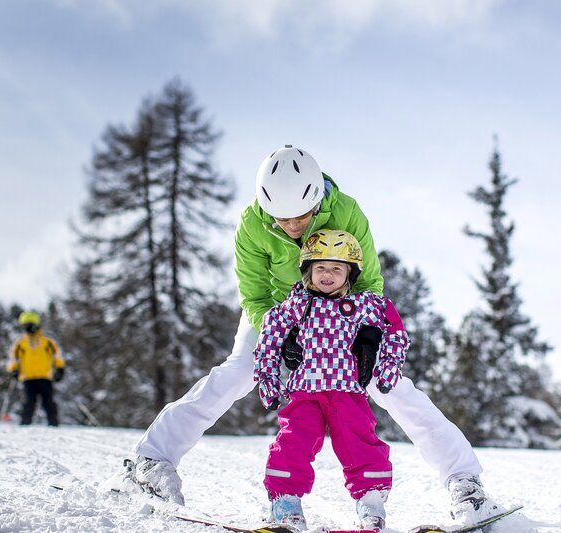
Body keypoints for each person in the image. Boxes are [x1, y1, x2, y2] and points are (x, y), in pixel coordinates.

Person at [121, 145, 497, 524]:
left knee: (388, 385)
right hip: (277, 311)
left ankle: (464, 480)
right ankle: (153, 460)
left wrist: (367, 336)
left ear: (316, 199)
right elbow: (253, 295)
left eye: (300, 216)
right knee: (240, 370)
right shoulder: (252, 224)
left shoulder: (347, 211)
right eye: (282, 218)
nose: (293, 225)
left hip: (342, 311)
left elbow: (369, 283)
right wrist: (281, 332)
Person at [255, 229, 408, 530]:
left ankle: (371, 504)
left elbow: (395, 328)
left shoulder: (363, 304)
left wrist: (389, 365)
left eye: (336, 268)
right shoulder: (297, 304)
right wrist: (268, 376)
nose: (327, 274)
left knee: (360, 443)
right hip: (304, 393)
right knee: (292, 444)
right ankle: (285, 504)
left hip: (346, 391)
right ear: (307, 272)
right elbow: (270, 332)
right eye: (320, 267)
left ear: (349, 274)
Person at [8, 311, 66, 427]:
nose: (26, 328)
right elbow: (13, 357)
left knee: (48, 401)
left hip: (45, 376)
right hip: (28, 377)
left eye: (28, 325)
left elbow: (57, 355)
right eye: (24, 325)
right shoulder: (21, 343)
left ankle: (53, 423)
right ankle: (25, 424)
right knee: (29, 401)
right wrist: (13, 369)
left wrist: (60, 368)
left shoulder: (47, 341)